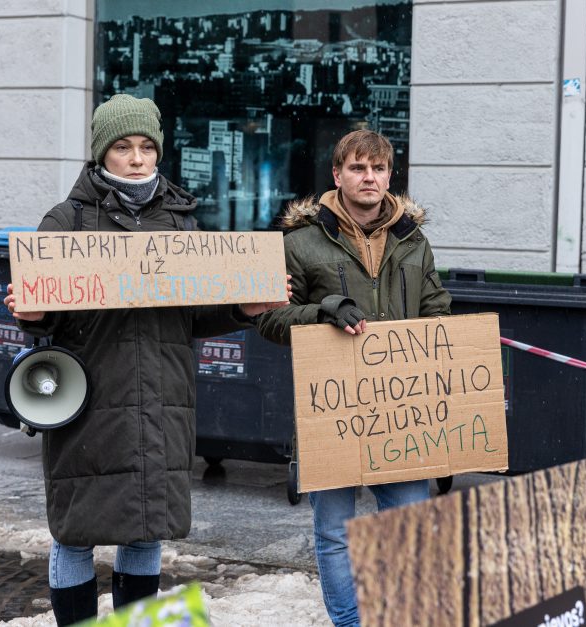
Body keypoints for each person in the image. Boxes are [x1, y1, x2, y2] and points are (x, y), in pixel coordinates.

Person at [3, 94, 288, 626]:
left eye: (145, 147)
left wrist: (243, 308)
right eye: (122, 147)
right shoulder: (67, 220)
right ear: (100, 154)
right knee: (75, 532)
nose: (136, 158)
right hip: (91, 399)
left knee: (146, 527)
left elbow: (195, 316)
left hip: (162, 399)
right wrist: (34, 315)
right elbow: (46, 315)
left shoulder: (181, 222)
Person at [255, 129, 451, 626]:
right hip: (333, 411)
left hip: (403, 411)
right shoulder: (298, 244)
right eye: (359, 168)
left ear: (390, 176)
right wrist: (322, 312)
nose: (370, 178)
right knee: (336, 532)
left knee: (405, 527)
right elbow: (270, 318)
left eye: (379, 169)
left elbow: (438, 315)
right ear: (337, 175)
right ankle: (350, 623)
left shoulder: (414, 242)